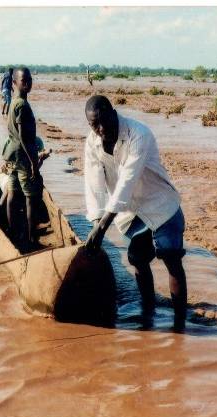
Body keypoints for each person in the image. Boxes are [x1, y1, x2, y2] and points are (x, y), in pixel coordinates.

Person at [83, 95, 187, 331]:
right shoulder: (92, 143)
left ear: (113, 113)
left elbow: (126, 182)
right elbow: (93, 185)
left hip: (160, 205)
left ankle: (180, 325)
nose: (101, 129)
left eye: (104, 121)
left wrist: (102, 227)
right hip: (130, 211)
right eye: (94, 125)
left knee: (171, 259)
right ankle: (147, 313)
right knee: (138, 261)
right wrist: (96, 222)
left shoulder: (138, 134)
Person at [0, 67, 44, 249]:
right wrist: (34, 162)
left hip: (11, 156)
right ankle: (32, 239)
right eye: (23, 80)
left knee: (12, 193)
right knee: (31, 197)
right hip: (23, 157)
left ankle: (13, 233)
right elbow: (25, 138)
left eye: (29, 79)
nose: (28, 83)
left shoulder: (13, 102)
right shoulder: (23, 106)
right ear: (14, 83)